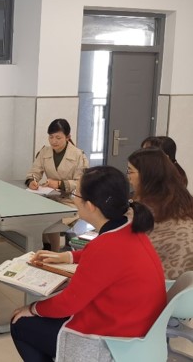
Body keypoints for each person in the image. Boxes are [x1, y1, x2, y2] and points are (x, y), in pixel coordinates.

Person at [11, 166, 166, 362]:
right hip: (140, 330)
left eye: (76, 194)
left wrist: (32, 308)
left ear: (91, 205)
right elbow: (110, 258)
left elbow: (69, 303)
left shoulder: (105, 246)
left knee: (20, 323)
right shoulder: (130, 228)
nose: (75, 199)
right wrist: (68, 257)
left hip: (113, 341)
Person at [128, 147, 193, 279]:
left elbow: (122, 245)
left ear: (147, 175)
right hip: (183, 284)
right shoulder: (180, 199)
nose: (128, 177)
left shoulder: (144, 209)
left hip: (160, 280)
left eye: (130, 171)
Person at [25, 118, 89, 251]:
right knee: (35, 215)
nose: (54, 141)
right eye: (51, 137)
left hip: (70, 200)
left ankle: (54, 251)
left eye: (58, 138)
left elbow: (82, 182)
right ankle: (46, 246)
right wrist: (32, 181)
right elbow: (34, 172)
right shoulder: (44, 152)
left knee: (51, 219)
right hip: (49, 197)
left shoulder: (78, 155)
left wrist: (60, 184)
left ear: (68, 137)